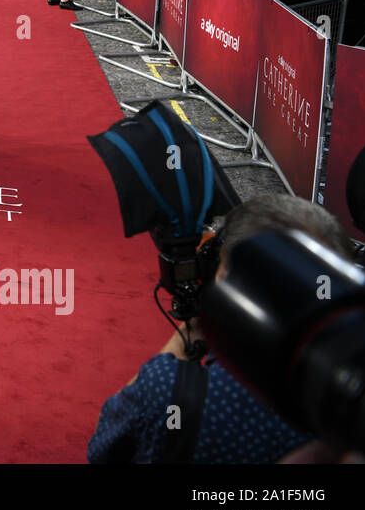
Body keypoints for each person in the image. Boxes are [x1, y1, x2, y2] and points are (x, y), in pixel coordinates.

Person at [88, 194, 351, 464]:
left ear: (222, 268)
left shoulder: (167, 388)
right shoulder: (356, 403)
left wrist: (192, 328)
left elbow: (103, 447)